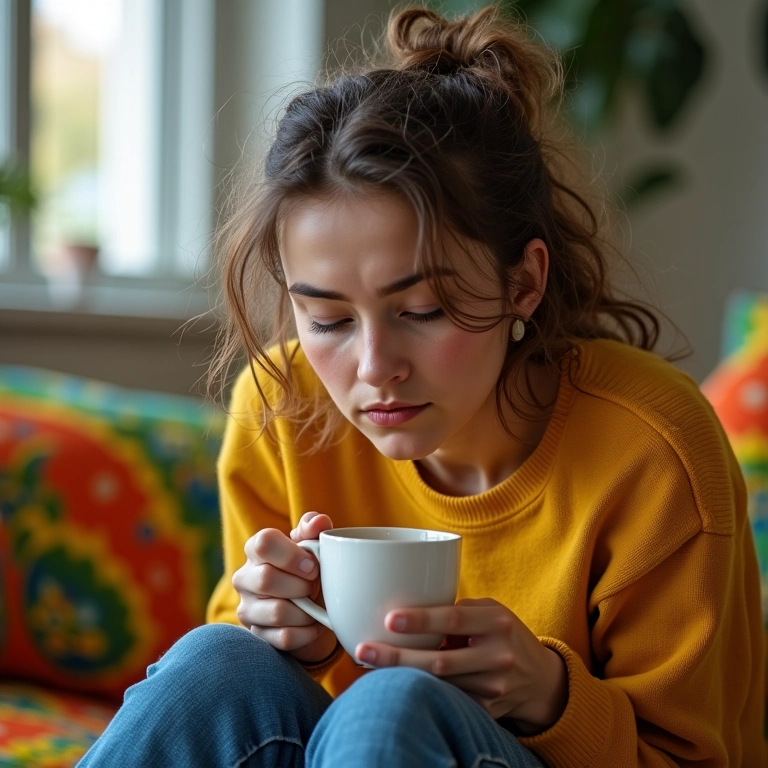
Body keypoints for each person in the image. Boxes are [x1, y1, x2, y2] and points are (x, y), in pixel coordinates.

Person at [78, 5, 766, 767]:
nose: (375, 368)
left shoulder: (654, 447)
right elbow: (245, 697)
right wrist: (277, 631)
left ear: (524, 282)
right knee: (218, 662)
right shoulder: (282, 407)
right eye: (328, 319)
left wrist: (549, 695)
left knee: (393, 707)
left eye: (423, 309)